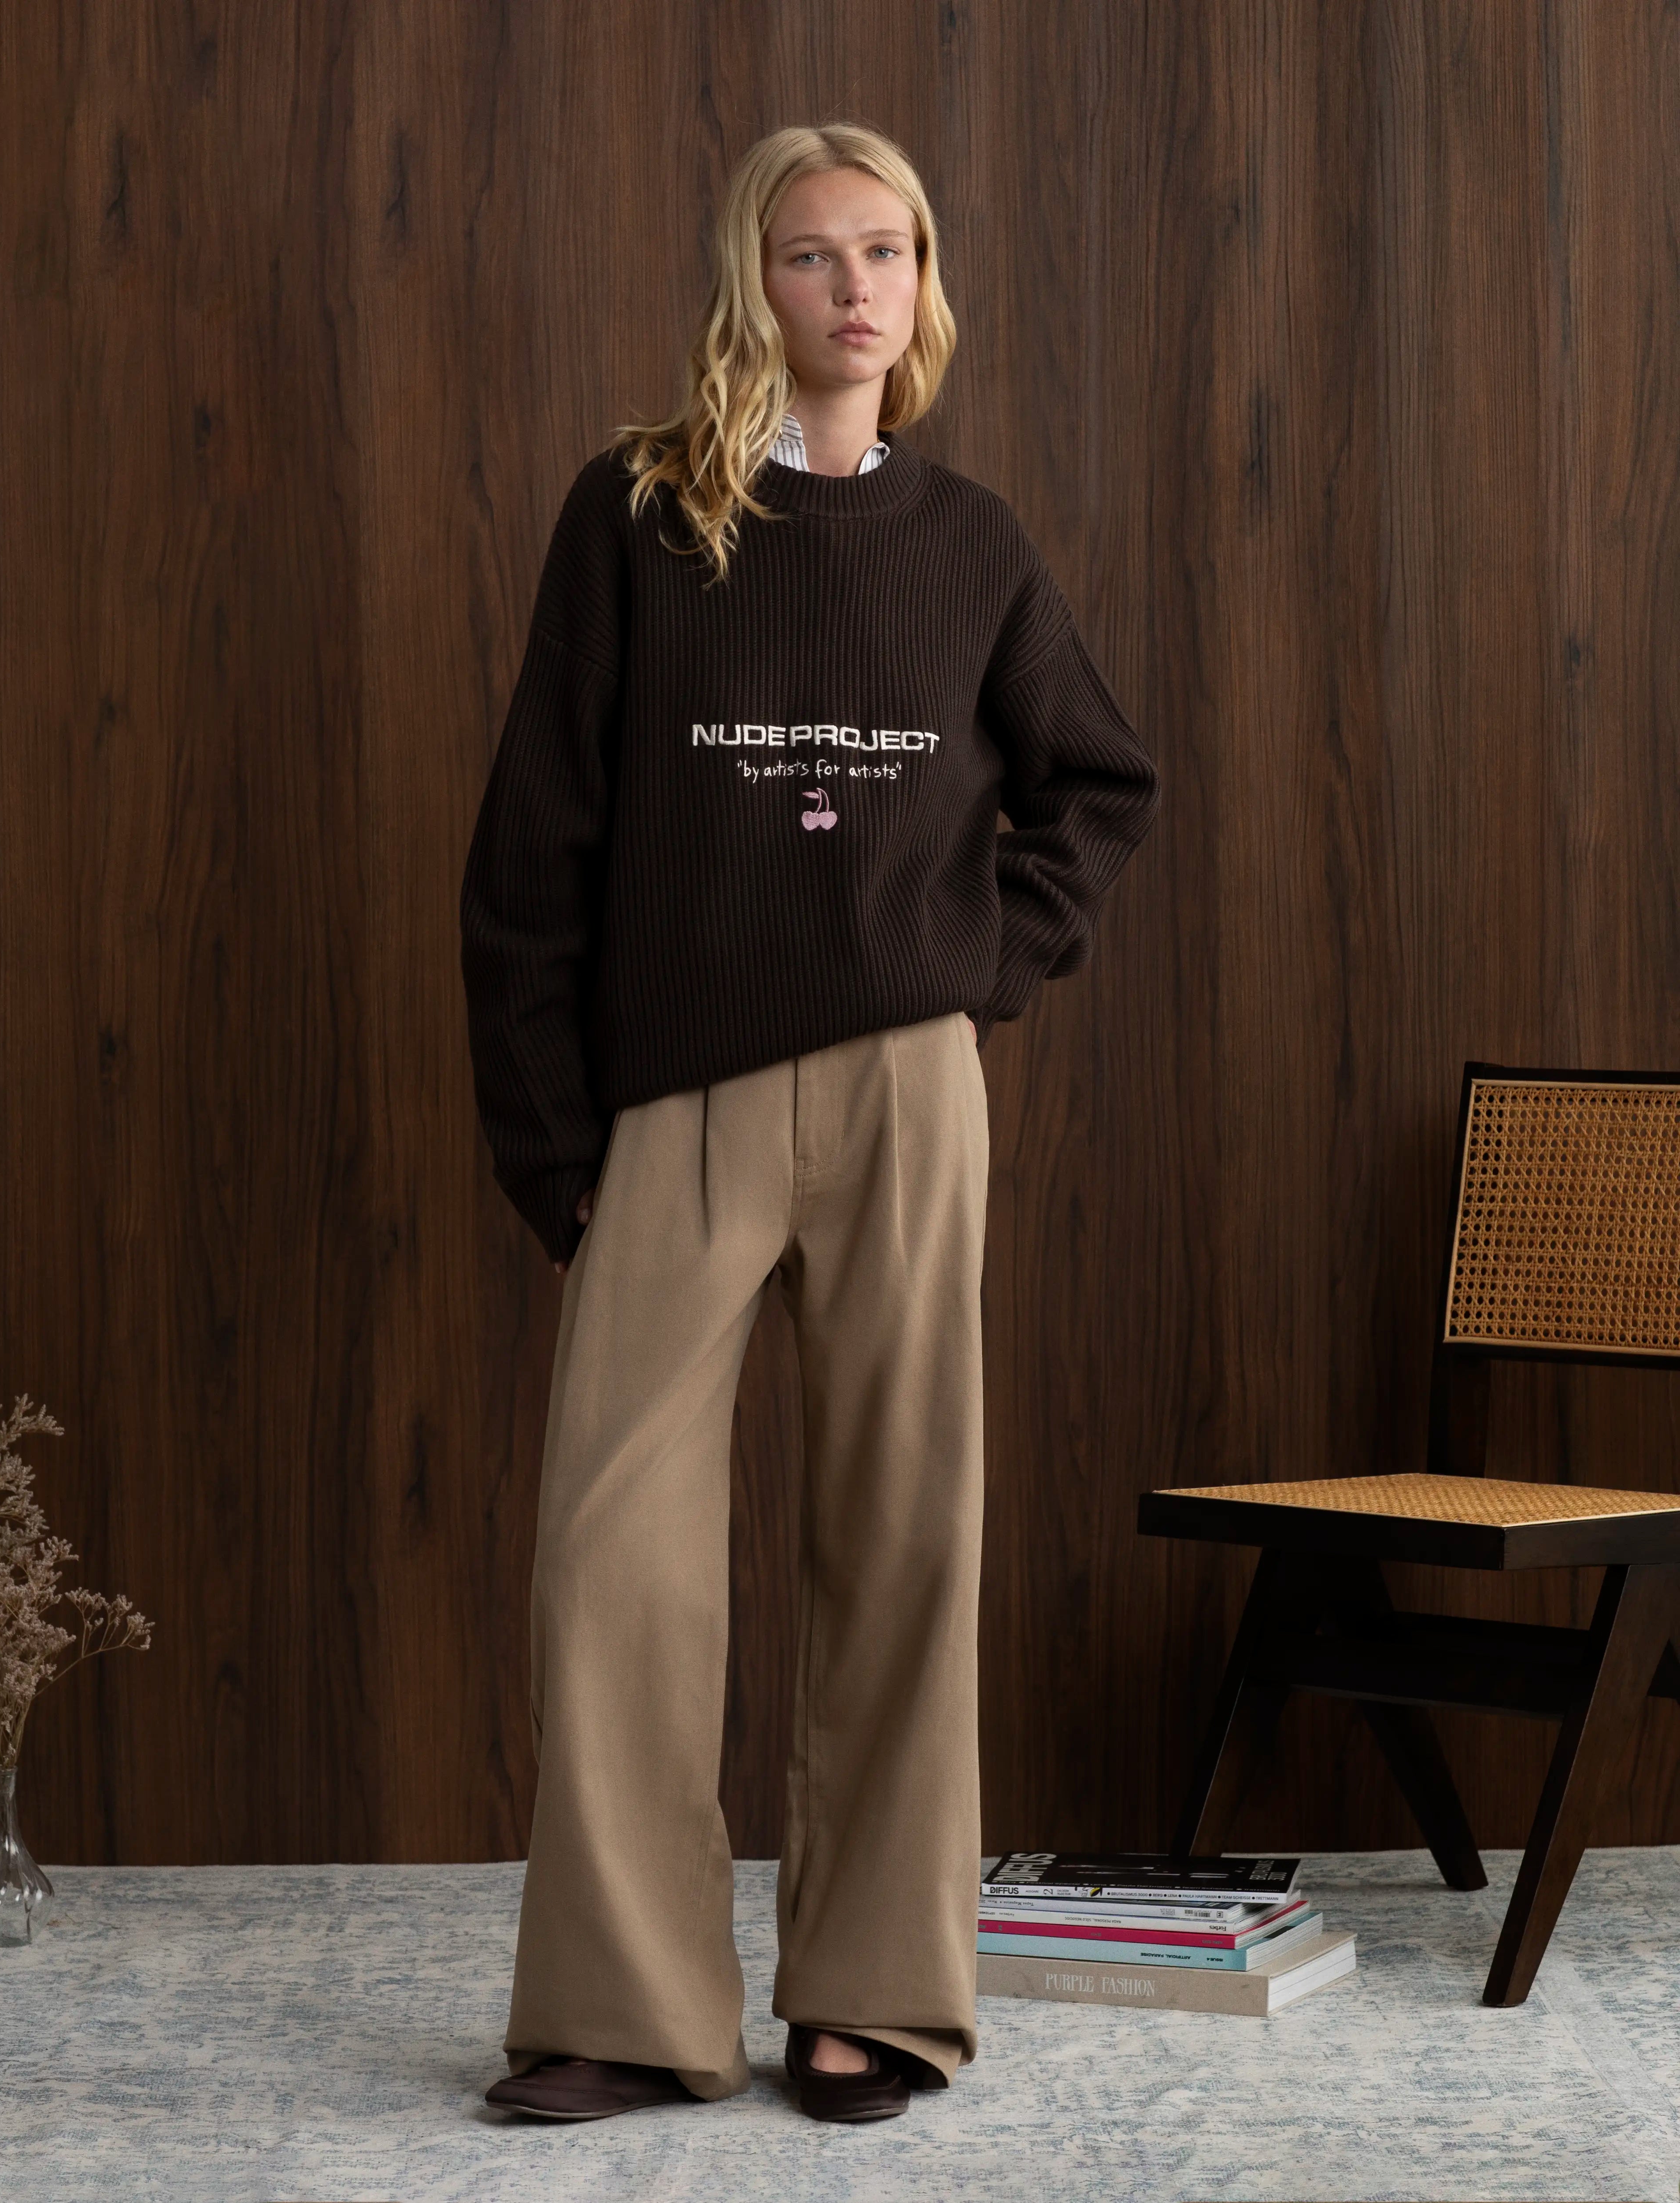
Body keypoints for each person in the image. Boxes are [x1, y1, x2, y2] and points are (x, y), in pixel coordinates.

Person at [460, 120, 1159, 2126]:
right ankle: (627, 2006)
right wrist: (551, 1137)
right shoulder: (640, 516)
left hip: (906, 1091)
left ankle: (876, 1996)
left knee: (906, 1530)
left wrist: (976, 959)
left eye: (888, 251)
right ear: (747, 285)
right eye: (809, 254)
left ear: (923, 283)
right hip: (671, 1093)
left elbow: (1098, 784)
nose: (854, 288)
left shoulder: (973, 542)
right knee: (614, 1555)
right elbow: (534, 841)